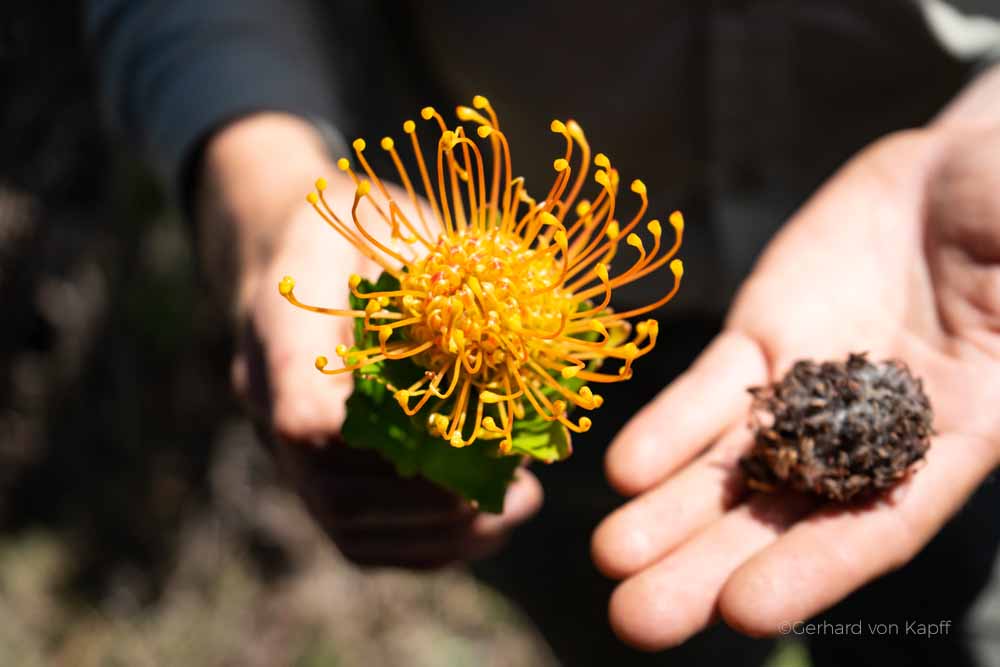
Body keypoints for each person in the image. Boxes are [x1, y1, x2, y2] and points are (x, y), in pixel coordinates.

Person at [86, 1, 1000, 664]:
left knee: (938, 633)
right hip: (564, 408)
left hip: (948, 310)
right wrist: (266, 184)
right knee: (642, 631)